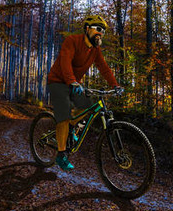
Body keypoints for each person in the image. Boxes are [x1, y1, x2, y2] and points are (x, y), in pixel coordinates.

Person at [46, 14, 122, 171]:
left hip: (74, 83)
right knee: (64, 116)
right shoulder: (72, 41)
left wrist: (115, 85)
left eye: (103, 31)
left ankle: (72, 128)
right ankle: (61, 156)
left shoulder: (95, 50)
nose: (100, 33)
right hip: (58, 81)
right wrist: (72, 81)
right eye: (98, 29)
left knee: (88, 105)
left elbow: (104, 68)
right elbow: (65, 62)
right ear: (87, 29)